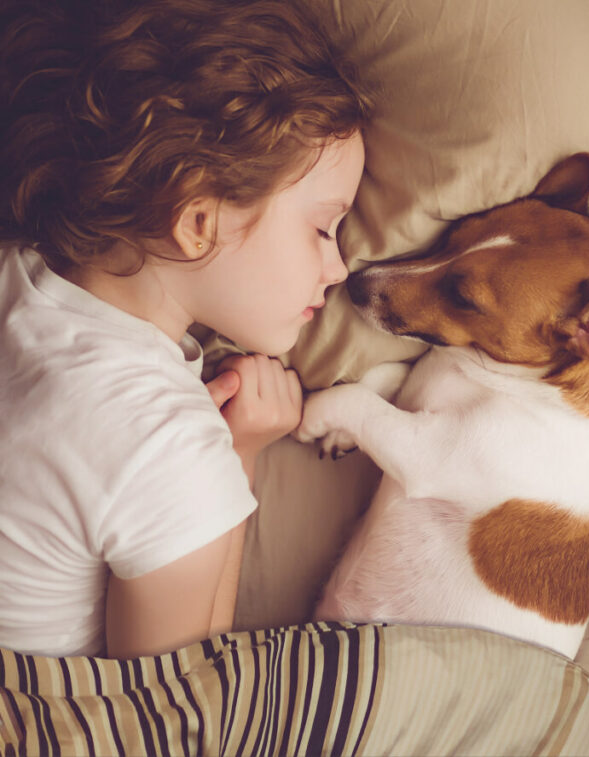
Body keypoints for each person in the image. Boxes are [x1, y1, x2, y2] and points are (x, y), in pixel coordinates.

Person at [0, 0, 372, 658]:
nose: (339, 267)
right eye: (321, 227)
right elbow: (174, 706)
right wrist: (239, 456)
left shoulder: (17, 267)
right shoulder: (169, 450)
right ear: (198, 221)